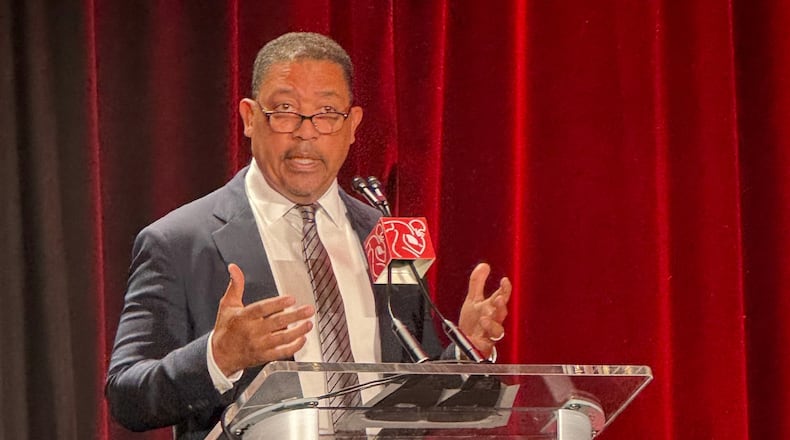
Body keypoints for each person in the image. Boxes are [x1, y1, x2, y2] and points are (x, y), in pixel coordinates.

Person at [105, 32, 511, 439]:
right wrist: (218, 357)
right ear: (249, 117)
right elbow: (128, 395)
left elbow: (414, 390)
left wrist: (467, 352)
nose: (306, 132)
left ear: (352, 125)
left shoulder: (382, 233)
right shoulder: (180, 242)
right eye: (284, 110)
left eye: (327, 112)